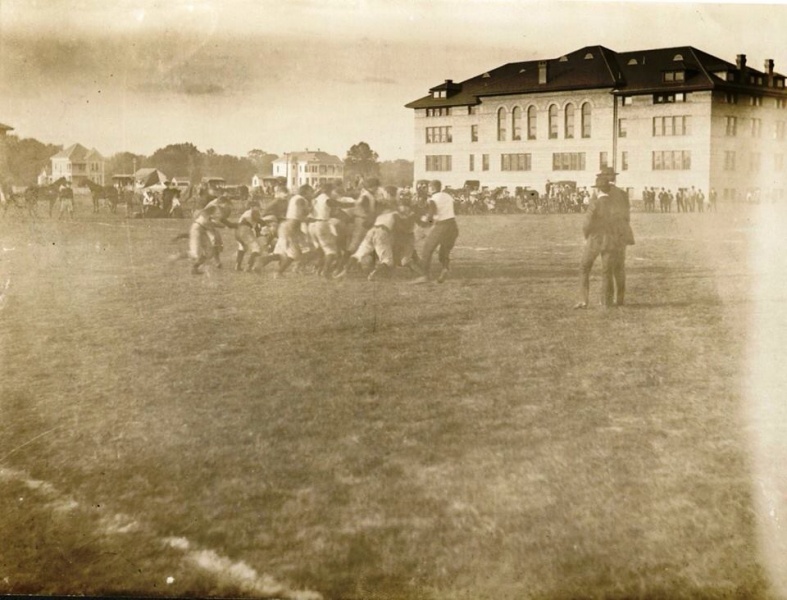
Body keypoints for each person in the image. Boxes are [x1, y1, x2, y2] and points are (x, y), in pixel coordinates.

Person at [575, 167, 633, 309]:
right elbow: (626, 216)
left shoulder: (598, 197)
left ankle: (584, 300)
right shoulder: (622, 194)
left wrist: (587, 235)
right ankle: (614, 300)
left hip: (597, 238)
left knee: (587, 267)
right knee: (616, 268)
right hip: (617, 236)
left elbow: (589, 220)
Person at [412, 179, 459, 284]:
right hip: (453, 226)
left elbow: (431, 215)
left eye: (428, 187)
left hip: (442, 226)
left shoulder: (433, 199)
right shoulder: (448, 196)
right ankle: (445, 268)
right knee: (444, 252)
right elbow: (453, 209)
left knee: (427, 250)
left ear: (432, 188)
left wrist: (424, 220)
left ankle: (424, 276)